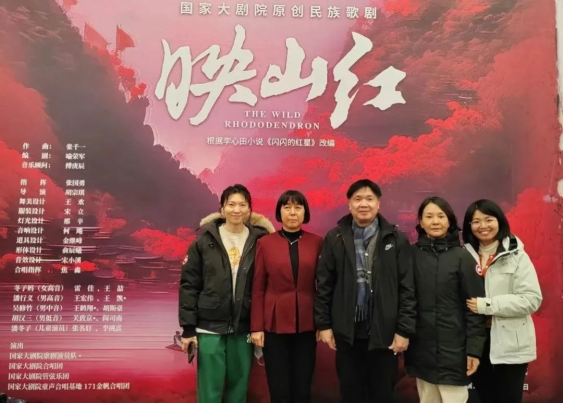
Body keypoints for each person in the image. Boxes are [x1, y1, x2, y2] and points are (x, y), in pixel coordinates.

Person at [315, 179, 416, 403]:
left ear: (378, 203)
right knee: (351, 392)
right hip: (347, 333)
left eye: (369, 199)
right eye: (357, 199)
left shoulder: (396, 239)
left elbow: (407, 288)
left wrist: (404, 330)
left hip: (385, 333)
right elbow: (324, 284)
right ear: (349, 204)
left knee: (382, 393)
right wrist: (324, 324)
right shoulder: (335, 238)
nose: (363, 204)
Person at [178, 184, 275, 403]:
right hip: (209, 326)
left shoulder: (261, 242)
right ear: (222, 208)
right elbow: (189, 285)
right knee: (209, 389)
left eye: (242, 205)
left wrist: (262, 324)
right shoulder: (204, 241)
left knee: (239, 387)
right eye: (231, 204)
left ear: (249, 209)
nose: (236, 210)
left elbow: (268, 286)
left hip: (244, 326)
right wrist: (188, 328)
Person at [406, 197, 486, 403]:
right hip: (421, 350)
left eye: (441, 216)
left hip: (454, 352)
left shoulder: (463, 257)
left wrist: (474, 350)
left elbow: (474, 308)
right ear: (420, 221)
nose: (435, 222)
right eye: (429, 216)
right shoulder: (411, 255)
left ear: (449, 221)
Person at [463, 199, 542, 404]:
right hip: (476, 341)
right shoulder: (463, 256)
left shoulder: (517, 256)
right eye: (476, 221)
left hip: (510, 341)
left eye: (488, 219)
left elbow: (531, 299)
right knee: (485, 397)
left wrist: (488, 305)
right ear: (469, 226)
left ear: (499, 221)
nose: (483, 226)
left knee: (509, 398)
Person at [250, 190, 323, 403]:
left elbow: (324, 286)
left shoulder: (317, 242)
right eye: (287, 207)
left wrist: (323, 322)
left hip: (307, 323)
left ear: (305, 212)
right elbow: (258, 288)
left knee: (303, 388)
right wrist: (256, 327)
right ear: (279, 212)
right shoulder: (265, 243)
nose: (292, 212)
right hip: (274, 324)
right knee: (278, 388)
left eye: (298, 207)